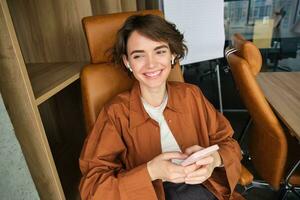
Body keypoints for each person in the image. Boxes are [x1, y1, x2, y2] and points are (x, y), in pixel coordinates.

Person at [79, 14, 243, 200]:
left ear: (172, 54)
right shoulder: (115, 113)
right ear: (127, 62)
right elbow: (92, 189)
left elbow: (229, 144)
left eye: (160, 51)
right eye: (139, 55)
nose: (151, 64)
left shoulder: (191, 95)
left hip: (206, 190)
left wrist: (214, 160)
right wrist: (150, 172)